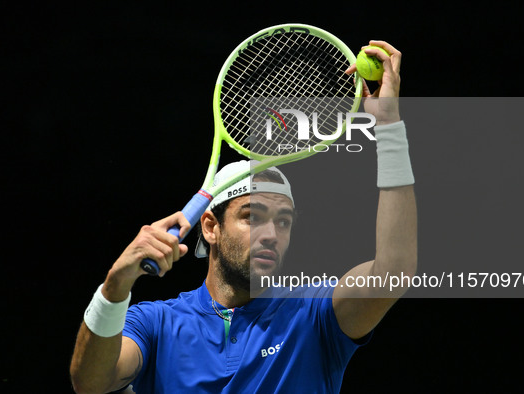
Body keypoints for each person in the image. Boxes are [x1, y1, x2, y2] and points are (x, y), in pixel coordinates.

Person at [70, 40, 417, 394]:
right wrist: (115, 284)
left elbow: (394, 271)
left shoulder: (313, 316)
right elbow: (90, 383)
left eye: (284, 221)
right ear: (210, 227)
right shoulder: (156, 324)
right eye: (253, 216)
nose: (272, 234)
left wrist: (389, 126)